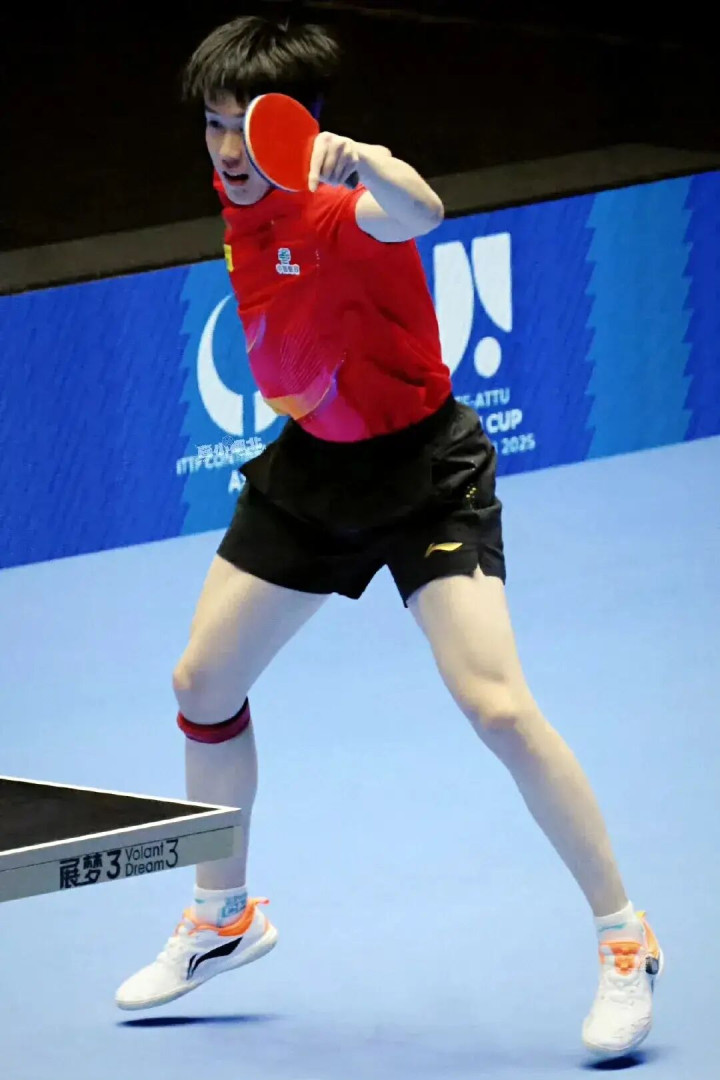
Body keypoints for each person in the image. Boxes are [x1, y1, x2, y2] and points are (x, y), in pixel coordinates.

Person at [114, 14, 662, 1060]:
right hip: (315, 466)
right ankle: (222, 917)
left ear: (296, 128)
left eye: (245, 128)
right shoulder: (237, 197)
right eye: (212, 124)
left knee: (497, 707)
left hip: (422, 474)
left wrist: (362, 157)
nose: (226, 148)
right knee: (202, 684)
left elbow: (419, 209)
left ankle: (625, 940)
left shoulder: (338, 206)